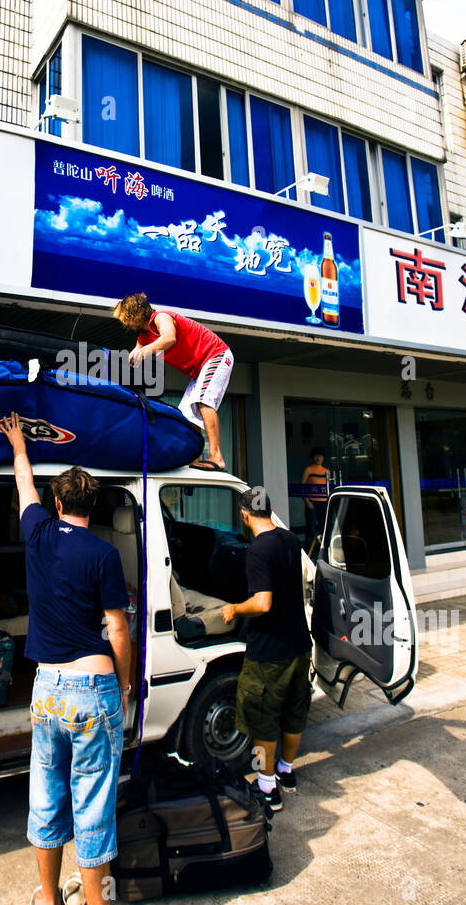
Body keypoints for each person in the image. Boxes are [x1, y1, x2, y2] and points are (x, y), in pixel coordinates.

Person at [0, 412, 150, 905]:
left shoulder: (37, 532)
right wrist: (128, 685)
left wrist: (19, 442)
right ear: (95, 508)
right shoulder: (105, 554)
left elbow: (22, 481)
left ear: (59, 505)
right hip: (92, 688)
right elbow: (117, 628)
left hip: (46, 690)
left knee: (47, 801)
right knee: (92, 808)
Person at [221, 488, 312, 812]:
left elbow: (262, 603)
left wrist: (234, 609)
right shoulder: (288, 539)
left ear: (244, 516)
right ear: (270, 510)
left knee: (262, 722)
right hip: (299, 646)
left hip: (269, 653)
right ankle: (286, 771)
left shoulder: (258, 550)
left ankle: (266, 787)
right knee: (294, 713)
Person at [113, 293, 234, 471]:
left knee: (203, 401)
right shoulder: (143, 337)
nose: (126, 324)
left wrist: (146, 350)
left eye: (126, 319)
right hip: (199, 369)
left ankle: (216, 456)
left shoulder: (161, 317)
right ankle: (195, 455)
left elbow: (169, 338)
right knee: (186, 413)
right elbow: (133, 358)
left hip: (215, 354)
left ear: (135, 314)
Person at [300, 446, 331, 550]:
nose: (318, 458)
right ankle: (309, 554)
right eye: (316, 456)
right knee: (311, 530)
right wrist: (307, 501)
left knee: (324, 529)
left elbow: (328, 488)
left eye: (320, 456)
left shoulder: (327, 471)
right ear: (313, 457)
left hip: (324, 503)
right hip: (312, 503)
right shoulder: (308, 470)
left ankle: (325, 552)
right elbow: (302, 486)